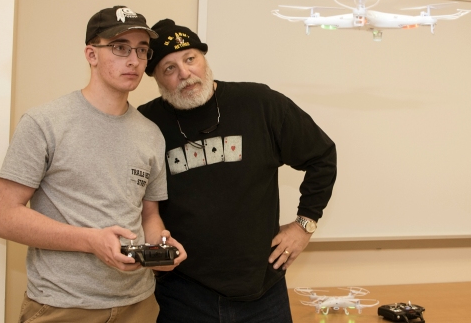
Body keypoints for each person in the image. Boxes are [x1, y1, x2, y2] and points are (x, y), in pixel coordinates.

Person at [0, 6, 186, 323]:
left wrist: (159, 246)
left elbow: (149, 215)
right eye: (120, 48)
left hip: (140, 306)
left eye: (142, 50)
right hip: (62, 307)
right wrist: (91, 242)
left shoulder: (151, 134)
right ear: (91, 55)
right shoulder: (45, 123)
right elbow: (1, 217)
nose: (133, 60)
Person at [138, 19, 337, 323]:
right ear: (156, 78)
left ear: (203, 58)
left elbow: (322, 155)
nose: (185, 74)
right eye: (169, 68)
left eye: (190, 59)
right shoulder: (145, 124)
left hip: (263, 292)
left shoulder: (259, 104)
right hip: (183, 294)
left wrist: (304, 225)